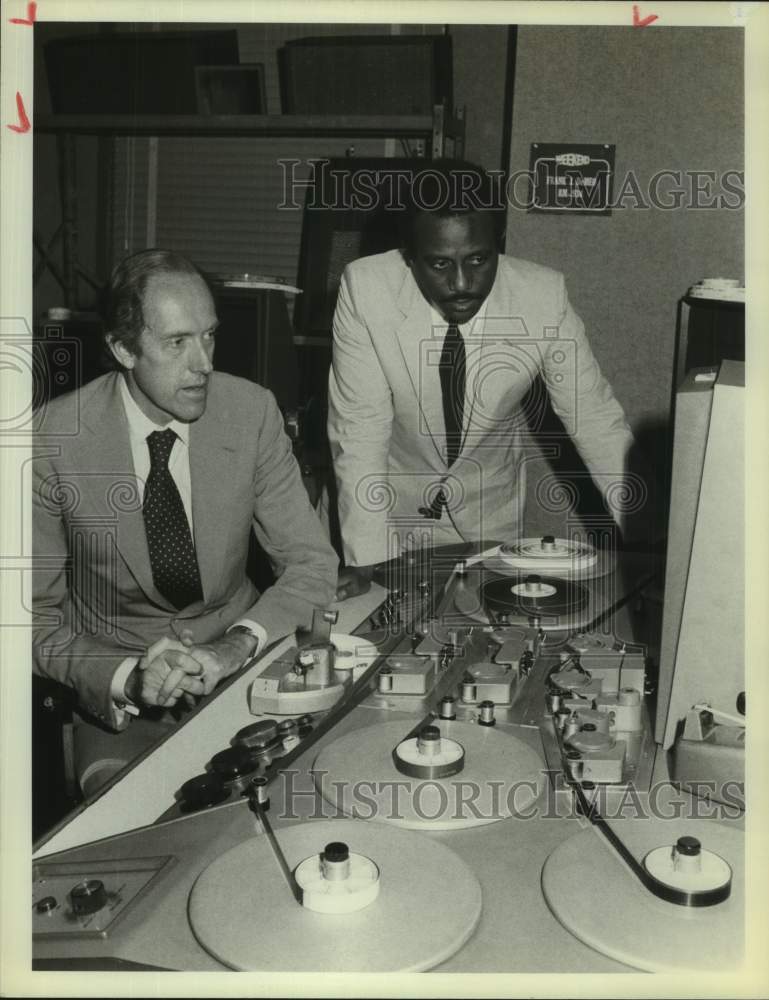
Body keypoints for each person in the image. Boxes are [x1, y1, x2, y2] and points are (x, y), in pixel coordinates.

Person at [33, 249, 338, 795]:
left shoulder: (251, 413)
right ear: (123, 348)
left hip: (245, 678)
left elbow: (311, 565)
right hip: (121, 708)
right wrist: (129, 679)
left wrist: (235, 646)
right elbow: (31, 620)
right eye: (177, 343)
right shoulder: (52, 441)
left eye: (209, 336)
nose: (203, 364)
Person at [329, 159, 641, 600]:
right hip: (387, 514)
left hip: (488, 515)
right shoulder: (366, 288)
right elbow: (358, 430)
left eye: (478, 259)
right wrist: (364, 558)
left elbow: (595, 420)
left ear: (500, 244)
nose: (462, 284)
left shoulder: (543, 296)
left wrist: (651, 538)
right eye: (439, 264)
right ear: (408, 256)